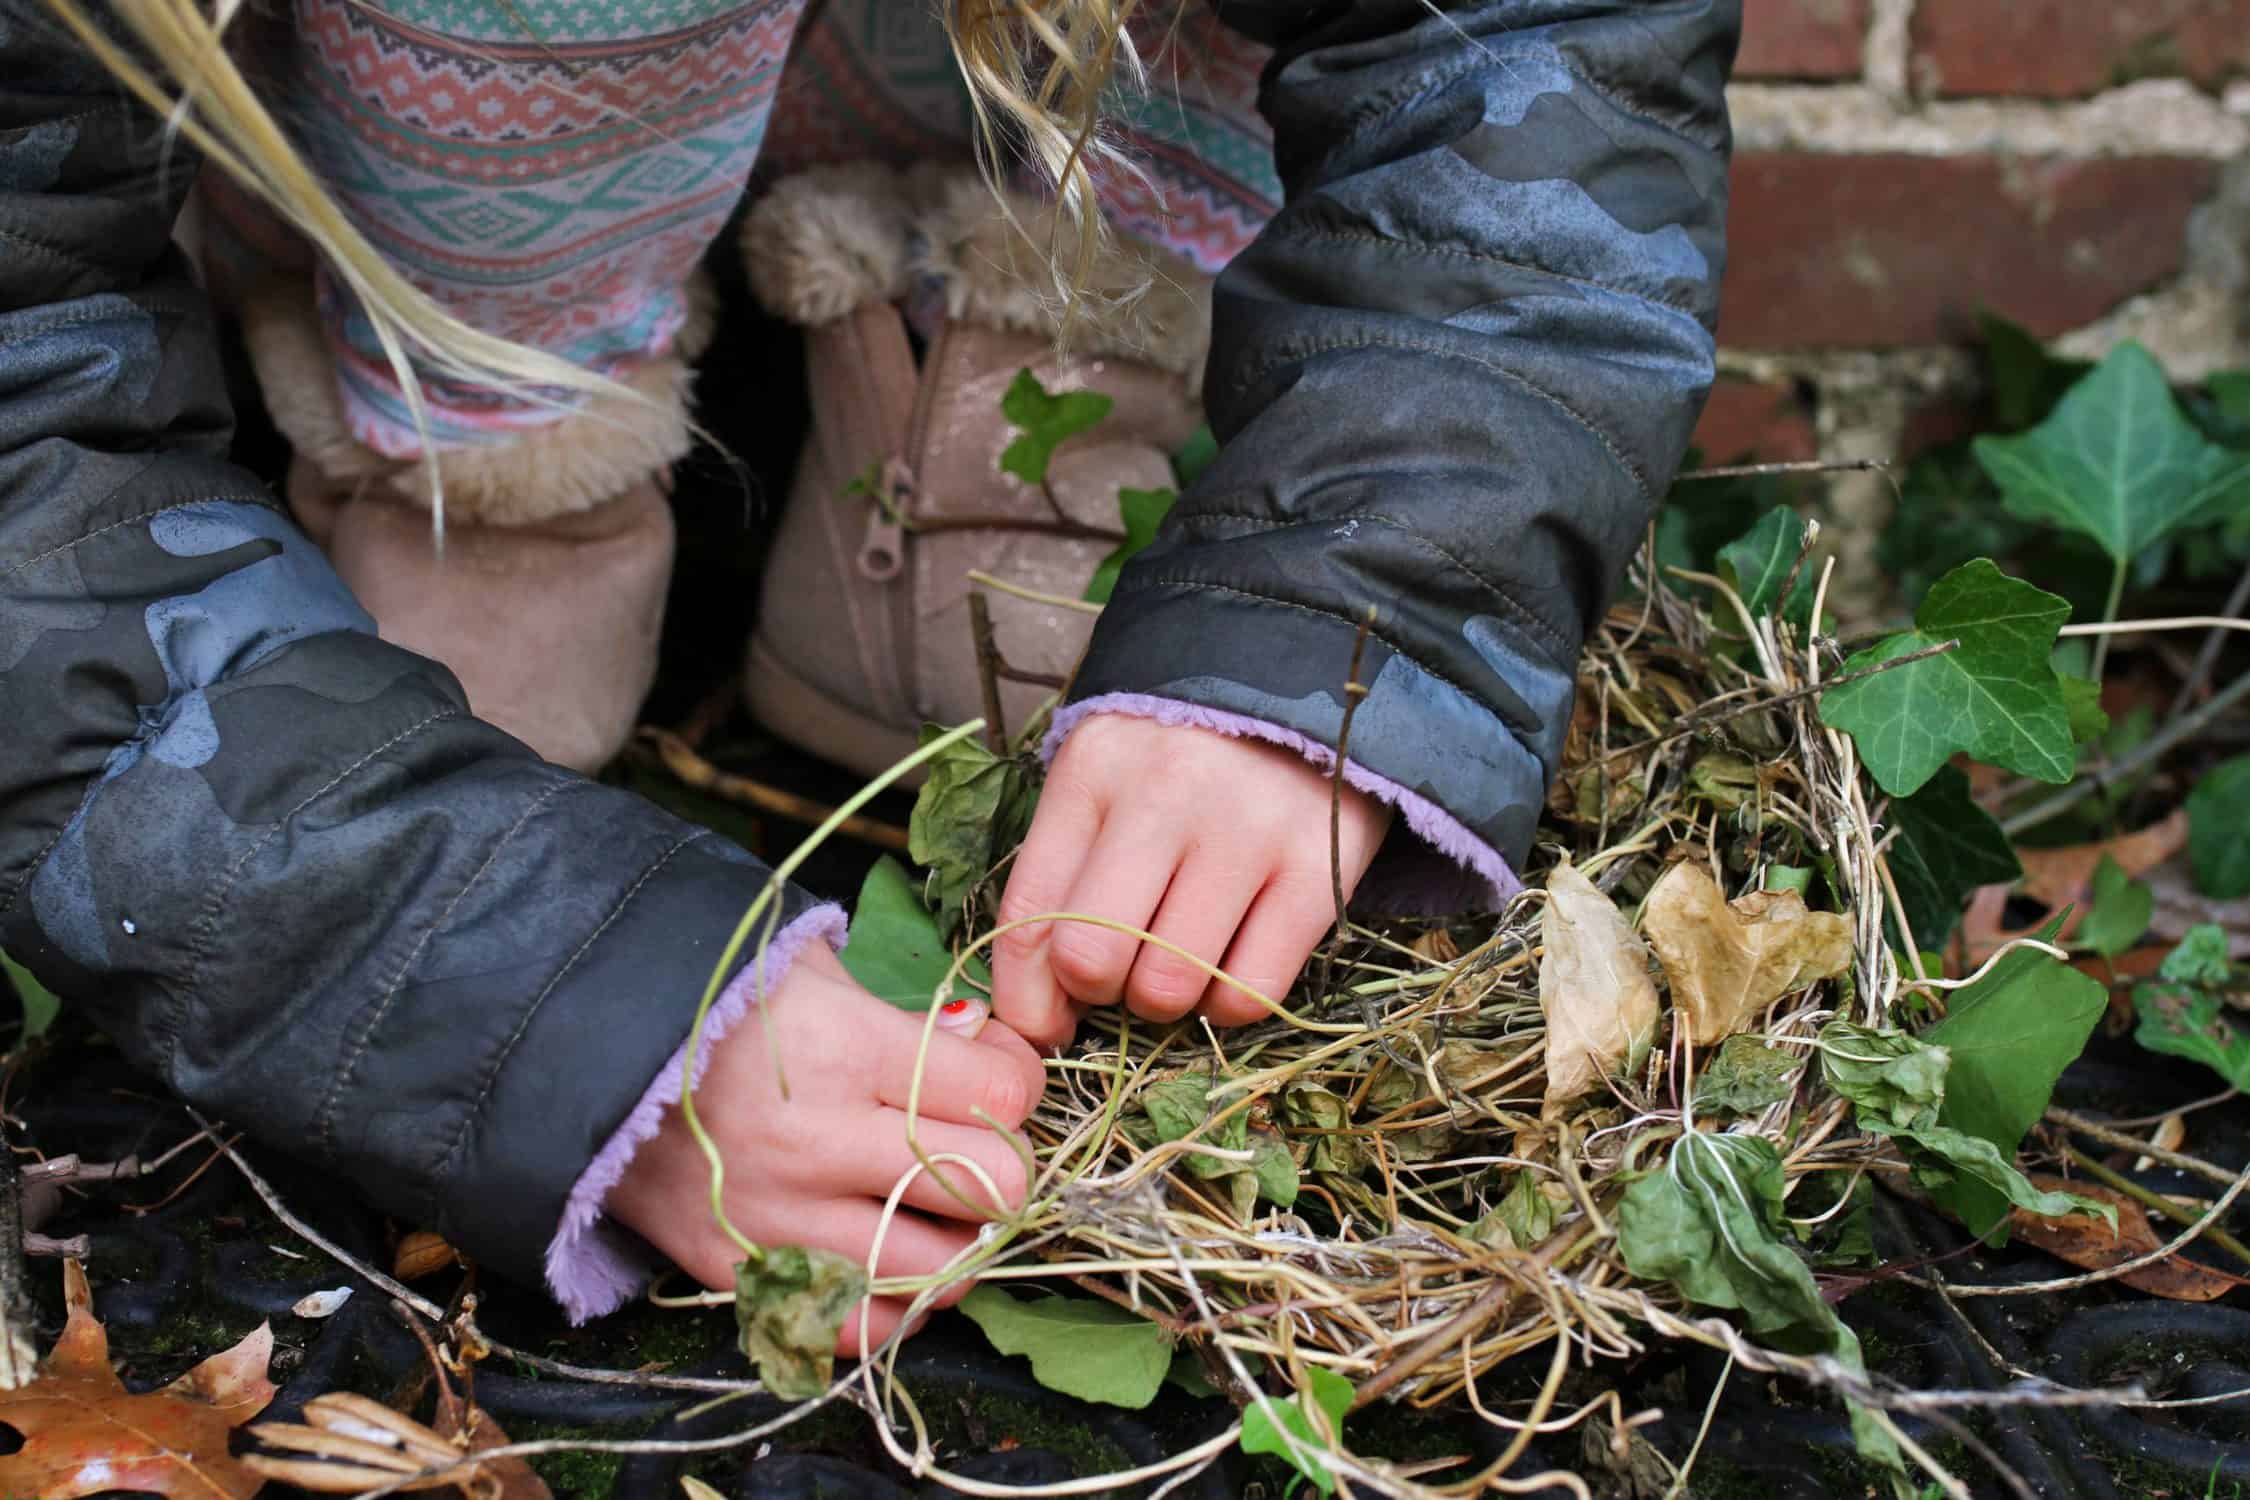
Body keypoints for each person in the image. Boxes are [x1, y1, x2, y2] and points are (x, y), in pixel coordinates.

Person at [0, 0, 1738, 1349]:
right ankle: (492, 455)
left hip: (1003, 163)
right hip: (403, 260)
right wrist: (529, 993)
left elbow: (1529, 54)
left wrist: (1345, 616)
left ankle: (991, 360)